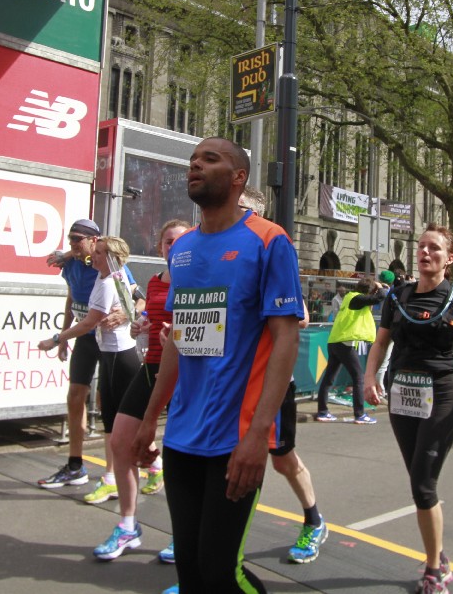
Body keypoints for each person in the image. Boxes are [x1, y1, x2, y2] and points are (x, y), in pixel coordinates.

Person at [132, 137, 304, 594]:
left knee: (221, 572)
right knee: (190, 572)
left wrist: (258, 435)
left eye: (210, 159)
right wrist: (150, 420)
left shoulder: (269, 240)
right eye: (193, 160)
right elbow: (179, 340)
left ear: (238, 177)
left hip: (236, 439)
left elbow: (287, 339)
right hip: (182, 437)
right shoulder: (183, 249)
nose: (195, 166)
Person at [363, 224, 453, 594]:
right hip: (403, 393)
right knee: (419, 482)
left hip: (443, 393)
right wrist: (369, 377)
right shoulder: (397, 296)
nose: (425, 253)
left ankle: (435, 570)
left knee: (423, 483)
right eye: (421, 246)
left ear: (449, 258)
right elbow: (380, 343)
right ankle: (438, 553)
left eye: (434, 248)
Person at [240, 185, 330, 565]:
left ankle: (313, 519)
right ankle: (207, 545)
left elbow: (301, 316)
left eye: (243, 209)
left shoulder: (271, 251)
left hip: (270, 385)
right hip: (233, 384)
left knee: (281, 459)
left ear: (258, 213)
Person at [94, 222, 191, 561]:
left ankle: (185, 534)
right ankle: (128, 525)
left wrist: (179, 337)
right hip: (151, 367)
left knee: (181, 457)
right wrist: (139, 325)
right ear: (160, 246)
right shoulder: (155, 281)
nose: (172, 246)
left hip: (185, 373)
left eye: (179, 241)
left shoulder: (197, 278)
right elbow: (147, 316)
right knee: (121, 442)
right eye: (167, 241)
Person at [44, 236, 141, 513]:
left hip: (119, 354)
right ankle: (99, 474)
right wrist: (67, 254)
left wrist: (57, 338)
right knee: (108, 417)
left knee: (120, 421)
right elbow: (75, 298)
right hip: (105, 349)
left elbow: (91, 321)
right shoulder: (98, 273)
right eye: (94, 251)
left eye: (98, 252)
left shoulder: (112, 279)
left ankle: (128, 475)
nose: (92, 256)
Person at [36, 218, 103, 489]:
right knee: (75, 396)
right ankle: (75, 465)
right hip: (85, 337)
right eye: (70, 239)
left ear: (93, 240)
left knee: (109, 402)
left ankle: (130, 467)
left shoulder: (106, 263)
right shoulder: (71, 264)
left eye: (78, 239)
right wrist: (64, 338)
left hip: (110, 340)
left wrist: (126, 314)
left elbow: (137, 298)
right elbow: (72, 299)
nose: (73, 243)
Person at [315, 276, 384, 424]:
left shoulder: (350, 297)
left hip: (335, 340)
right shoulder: (357, 299)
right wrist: (379, 287)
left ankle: (322, 412)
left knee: (329, 378)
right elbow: (380, 297)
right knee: (358, 378)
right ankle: (360, 414)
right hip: (344, 343)